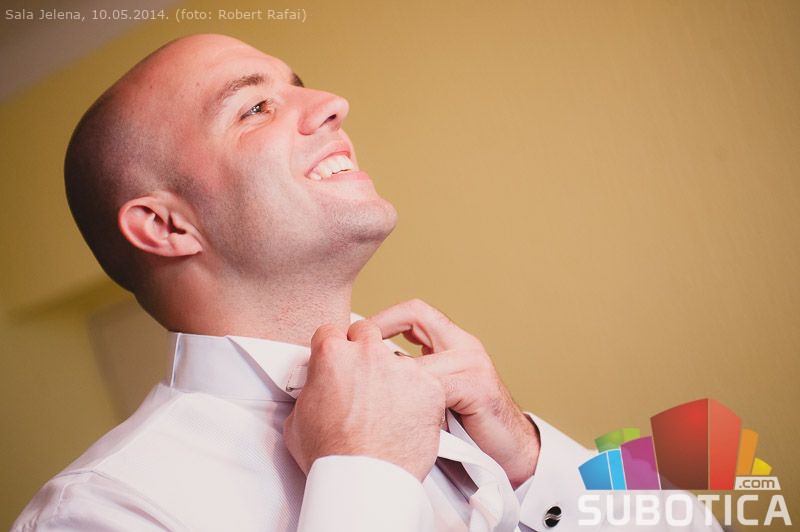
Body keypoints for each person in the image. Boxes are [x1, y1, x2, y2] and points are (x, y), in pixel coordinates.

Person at [13, 34, 721, 531]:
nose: (332, 103)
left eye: (298, 85)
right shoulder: (103, 509)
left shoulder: (456, 414)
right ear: (166, 226)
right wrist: (361, 478)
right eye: (254, 108)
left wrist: (530, 459)